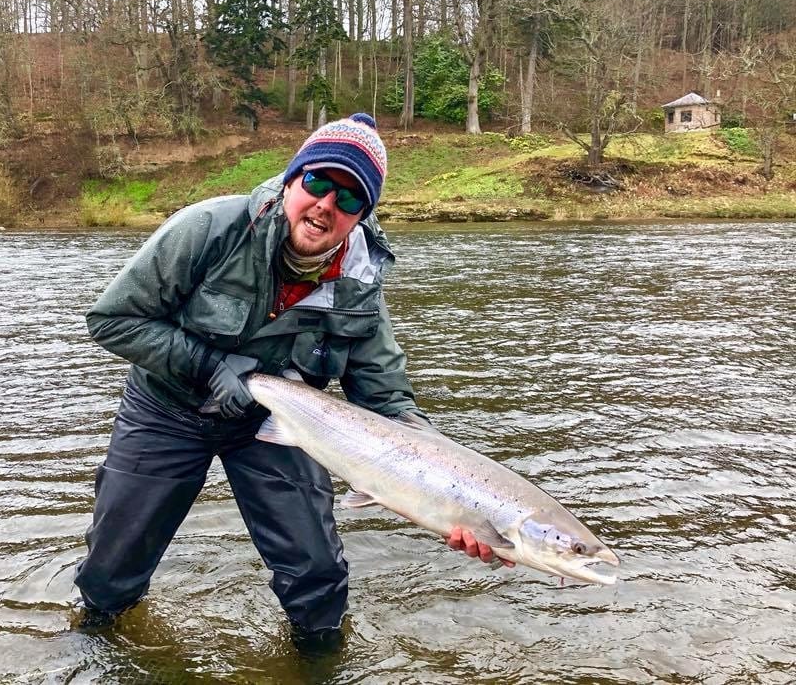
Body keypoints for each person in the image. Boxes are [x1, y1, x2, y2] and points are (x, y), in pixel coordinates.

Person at [75, 113, 511, 645]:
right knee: (113, 567)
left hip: (287, 421)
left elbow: (387, 400)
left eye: (350, 199)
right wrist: (210, 365)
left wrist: (454, 497)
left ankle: (321, 659)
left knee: (316, 576)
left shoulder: (360, 284)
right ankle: (96, 642)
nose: (327, 205)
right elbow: (112, 319)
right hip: (166, 411)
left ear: (362, 215)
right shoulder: (209, 229)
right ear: (291, 181)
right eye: (319, 183)